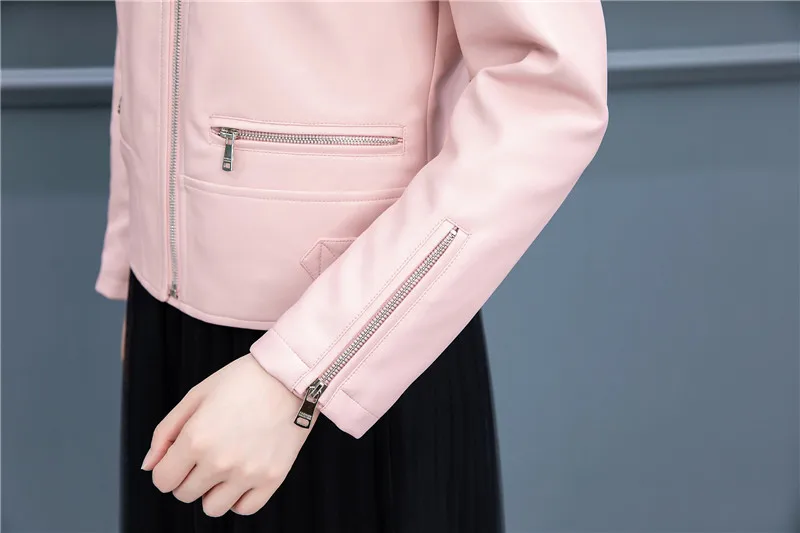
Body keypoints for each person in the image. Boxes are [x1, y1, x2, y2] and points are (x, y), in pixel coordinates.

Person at [96, 1, 609, 532]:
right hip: (170, 327)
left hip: (362, 346)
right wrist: (138, 264)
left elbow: (547, 93)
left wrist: (304, 375)